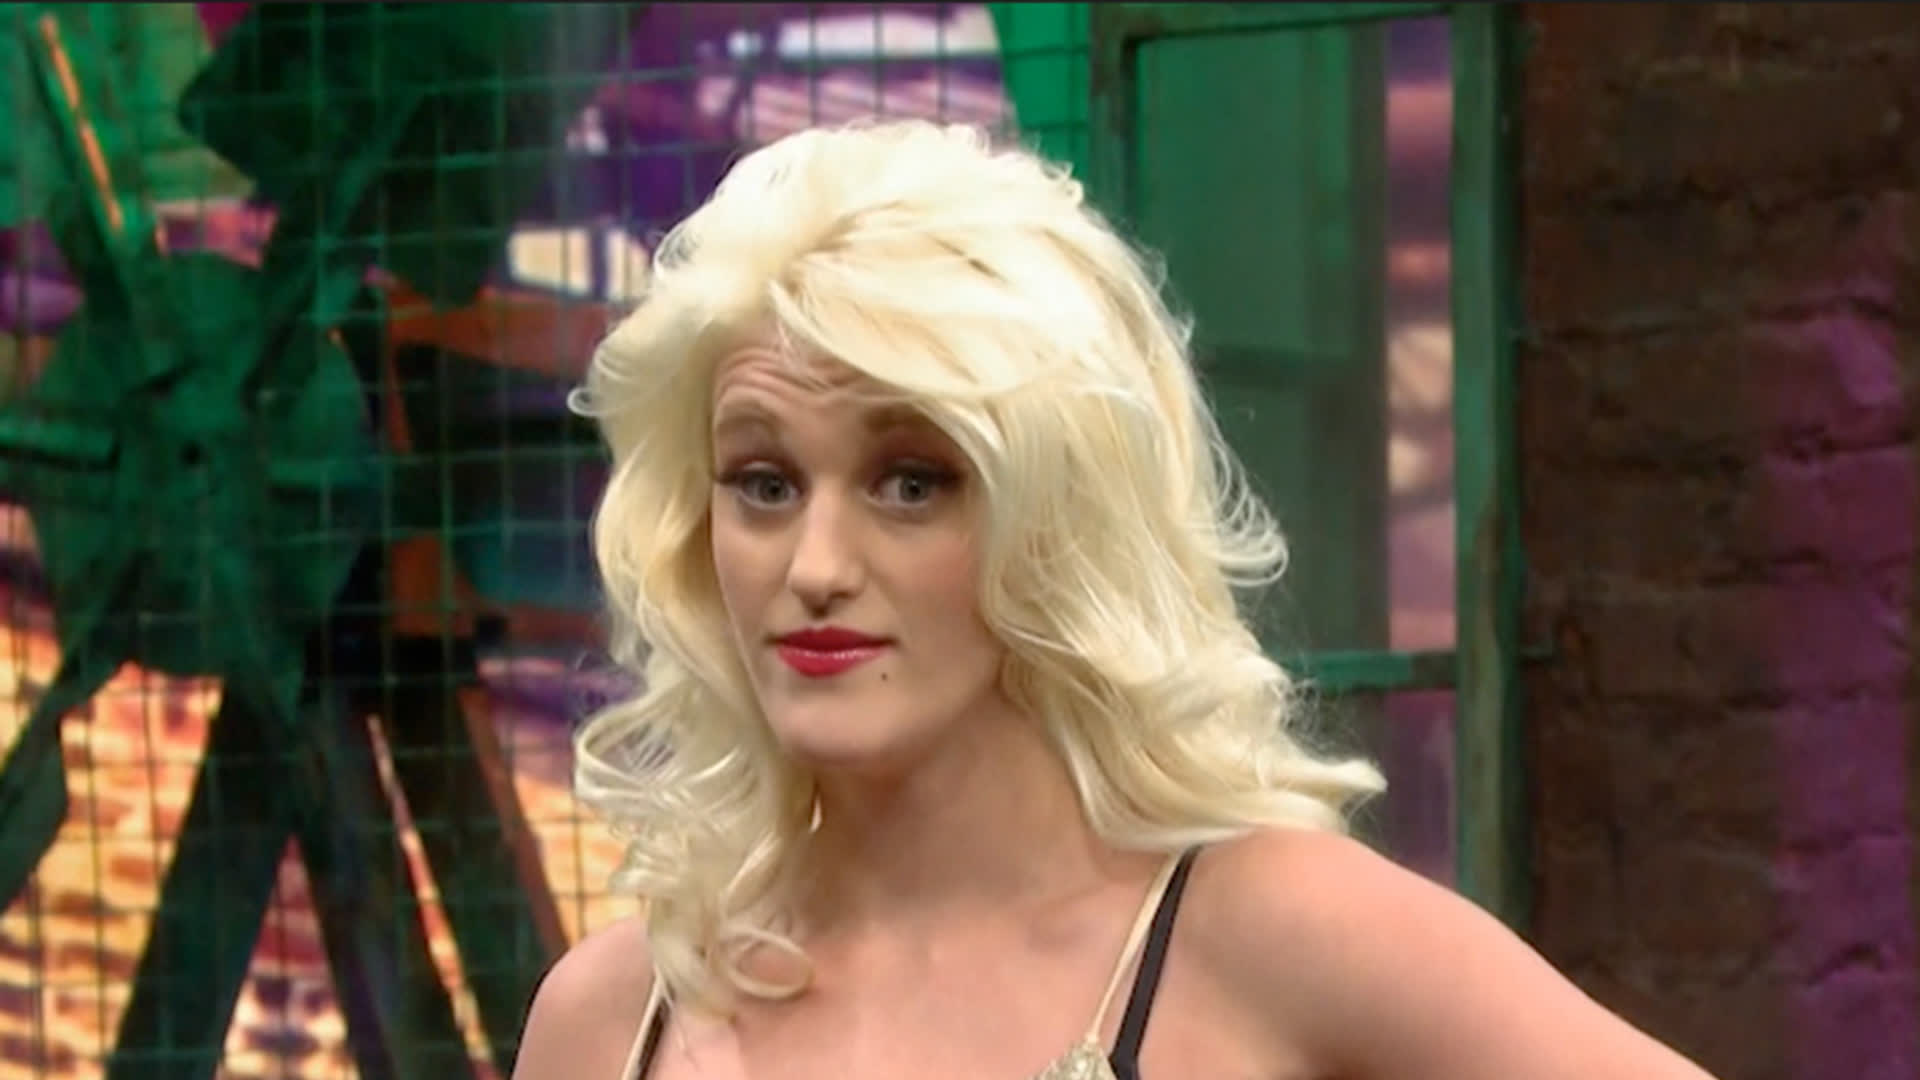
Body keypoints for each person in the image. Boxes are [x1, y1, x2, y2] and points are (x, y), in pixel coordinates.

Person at [515, 119, 1719, 1080]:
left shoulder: (1272, 935)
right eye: (765, 484)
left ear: (1057, 515)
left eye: (913, 482)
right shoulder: (612, 1021)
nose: (815, 564)